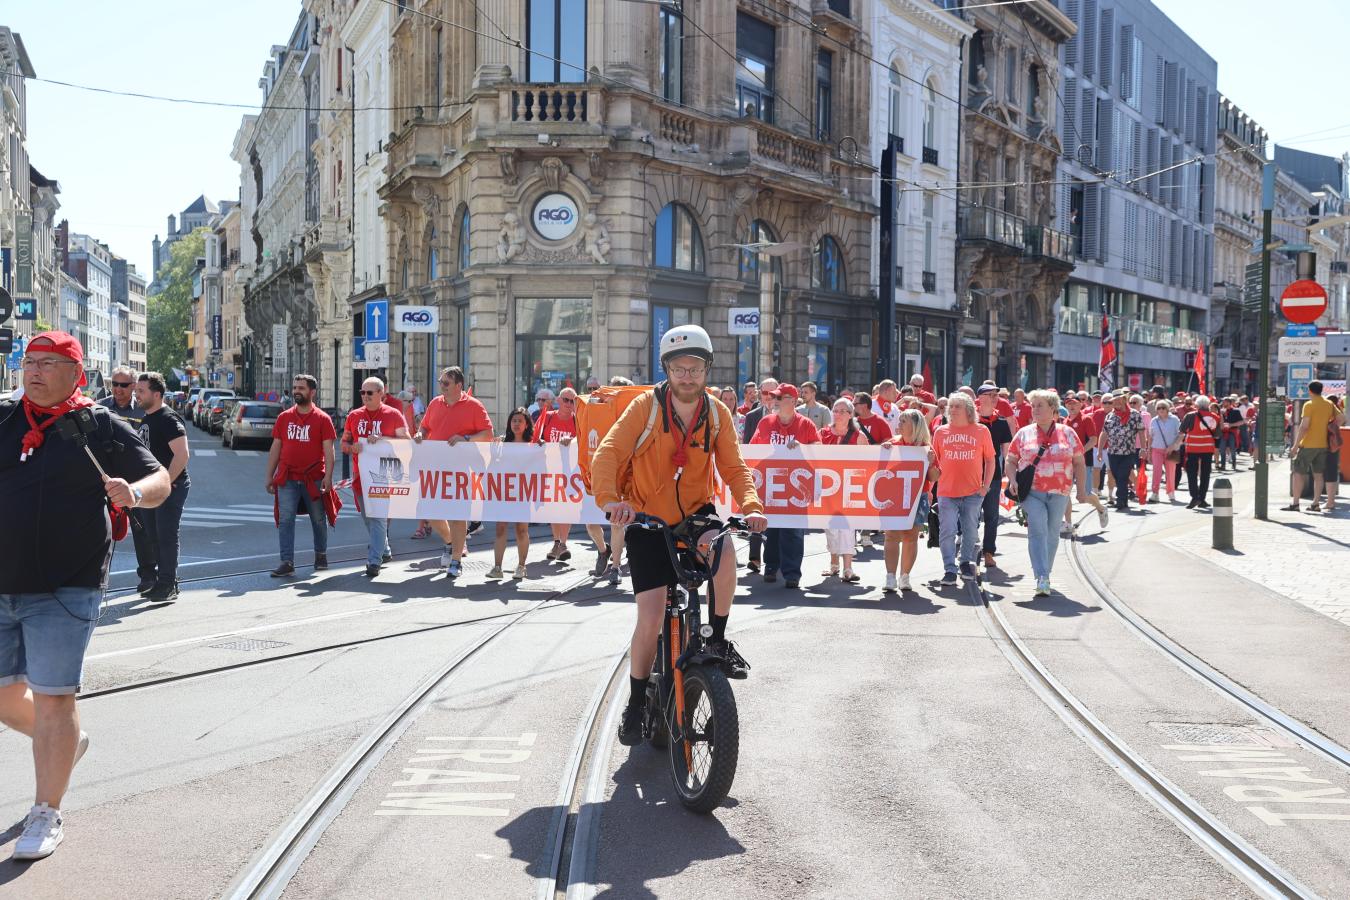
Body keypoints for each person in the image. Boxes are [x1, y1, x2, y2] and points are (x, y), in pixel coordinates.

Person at [0, 331, 170, 860]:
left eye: (50, 363)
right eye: (30, 361)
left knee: (54, 698)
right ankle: (68, 744)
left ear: (77, 374)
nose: (35, 371)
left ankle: (46, 811)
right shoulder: (4, 418)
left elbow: (159, 477)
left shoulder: (98, 425)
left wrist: (135, 493)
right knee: (6, 698)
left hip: (65, 585)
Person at [591, 324, 767, 746]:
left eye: (695, 368)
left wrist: (751, 506)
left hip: (694, 516)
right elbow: (608, 453)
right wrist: (611, 500)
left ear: (707, 369)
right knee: (651, 618)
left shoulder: (717, 413)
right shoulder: (645, 408)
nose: (687, 376)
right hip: (647, 519)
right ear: (666, 369)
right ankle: (635, 703)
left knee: (724, 554)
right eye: (679, 368)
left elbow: (734, 468)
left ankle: (718, 640)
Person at [1006, 390, 1089, 597]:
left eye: (1040, 405)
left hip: (1060, 492)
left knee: (1052, 533)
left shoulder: (1068, 433)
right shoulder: (1023, 432)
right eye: (1033, 406)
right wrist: (1013, 479)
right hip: (1032, 492)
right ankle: (1041, 576)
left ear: (1053, 409)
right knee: (1038, 528)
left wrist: (1080, 490)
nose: (1035, 409)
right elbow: (1011, 460)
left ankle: (1046, 572)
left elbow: (1079, 462)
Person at [414, 366, 494, 577]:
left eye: (446, 383)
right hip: (435, 467)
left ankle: (456, 561)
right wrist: (419, 434)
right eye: (440, 382)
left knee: (458, 515)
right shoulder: (435, 403)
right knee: (430, 513)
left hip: (461, 469)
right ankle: (450, 542)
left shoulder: (474, 405)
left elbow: (488, 433)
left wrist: (465, 438)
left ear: (459, 385)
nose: (442, 386)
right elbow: (425, 427)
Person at [266, 375, 337, 577]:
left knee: (318, 519)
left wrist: (328, 477)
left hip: (313, 478)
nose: (297, 391)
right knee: (285, 520)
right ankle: (287, 561)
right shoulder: (284, 418)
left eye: (301, 388)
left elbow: (329, 450)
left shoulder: (323, 419)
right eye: (295, 387)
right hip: (287, 478)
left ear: (312, 392)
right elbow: (275, 448)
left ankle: (321, 555)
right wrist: (269, 476)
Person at [751, 383, 820, 589]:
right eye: (774, 398)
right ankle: (771, 567)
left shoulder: (805, 424)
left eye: (779, 398)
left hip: (796, 487)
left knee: (793, 530)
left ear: (792, 400)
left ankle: (791, 574)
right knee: (771, 528)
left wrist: (803, 447)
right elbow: (753, 448)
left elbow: (819, 449)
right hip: (772, 484)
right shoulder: (766, 422)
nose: (774, 402)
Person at [341, 377, 410, 577]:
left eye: (369, 393)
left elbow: (406, 442)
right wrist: (351, 447)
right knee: (368, 519)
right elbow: (344, 443)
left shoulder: (394, 415)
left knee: (378, 519)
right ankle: (385, 550)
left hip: (383, 477)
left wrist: (383, 440)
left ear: (382, 394)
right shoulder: (354, 416)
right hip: (360, 478)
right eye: (362, 392)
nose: (365, 396)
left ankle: (374, 561)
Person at [132, 372, 192, 601]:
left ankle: (167, 584)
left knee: (166, 535)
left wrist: (166, 483)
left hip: (171, 486)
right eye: (137, 390)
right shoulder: (147, 417)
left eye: (141, 391)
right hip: (151, 488)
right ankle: (164, 581)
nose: (136, 395)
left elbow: (182, 455)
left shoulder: (168, 419)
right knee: (153, 536)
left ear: (156, 394)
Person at [537, 386, 610, 571]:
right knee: (553, 507)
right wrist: (542, 443)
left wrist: (573, 441)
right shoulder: (548, 417)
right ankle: (557, 542)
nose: (570, 404)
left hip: (571, 472)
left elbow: (584, 440)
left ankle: (563, 543)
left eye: (573, 401)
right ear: (559, 401)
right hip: (550, 469)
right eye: (567, 400)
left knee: (567, 507)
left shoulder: (579, 420)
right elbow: (536, 437)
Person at [931, 392, 995, 584]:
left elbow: (990, 460)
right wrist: (929, 489)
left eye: (957, 406)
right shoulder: (941, 432)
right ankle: (949, 569)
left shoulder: (982, 431)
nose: (952, 409)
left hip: (973, 492)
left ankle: (965, 561)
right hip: (946, 491)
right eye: (951, 406)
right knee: (947, 531)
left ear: (968, 410)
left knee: (970, 531)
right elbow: (935, 463)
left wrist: (986, 487)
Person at [882, 409, 938, 592]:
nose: (899, 424)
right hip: (893, 496)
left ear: (914, 425)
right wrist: (885, 452)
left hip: (917, 497)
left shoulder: (926, 448)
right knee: (891, 535)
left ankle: (904, 576)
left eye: (903, 421)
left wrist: (930, 463)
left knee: (910, 536)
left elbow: (934, 477)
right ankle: (890, 577)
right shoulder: (892, 443)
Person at [820, 397, 864, 582]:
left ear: (850, 414)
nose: (837, 414)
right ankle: (833, 564)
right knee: (830, 526)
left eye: (841, 411)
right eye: (835, 410)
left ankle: (848, 567)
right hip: (828, 487)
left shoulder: (858, 436)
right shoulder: (822, 433)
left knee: (848, 526)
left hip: (849, 488)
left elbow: (866, 463)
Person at [1285, 380, 1345, 512]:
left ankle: (1295, 503)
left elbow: (1304, 426)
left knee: (1298, 473)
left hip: (1308, 445)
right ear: (1321, 390)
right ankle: (1315, 503)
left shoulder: (1309, 404)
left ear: (1310, 390)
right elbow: (1341, 417)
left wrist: (1295, 446)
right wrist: (1331, 426)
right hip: (1323, 445)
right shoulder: (1328, 404)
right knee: (1318, 475)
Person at [490, 408, 533, 580]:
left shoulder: (533, 445)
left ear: (526, 424)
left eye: (520, 421)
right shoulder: (502, 443)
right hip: (505, 492)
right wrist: (494, 455)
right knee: (500, 528)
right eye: (513, 420)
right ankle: (497, 567)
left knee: (521, 530)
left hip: (523, 492)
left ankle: (521, 566)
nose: (516, 424)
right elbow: (494, 467)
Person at [975, 384, 1013, 569]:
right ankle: (969, 550)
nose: (995, 397)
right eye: (990, 394)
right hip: (970, 475)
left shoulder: (1001, 422)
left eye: (996, 394)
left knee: (992, 515)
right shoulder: (971, 419)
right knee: (970, 516)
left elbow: (1006, 451)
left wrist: (1010, 472)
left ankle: (988, 551)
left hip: (993, 476)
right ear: (980, 398)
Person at [1101, 391, 1143, 512]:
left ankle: (1120, 500)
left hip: (1128, 452)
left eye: (1119, 400)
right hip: (1112, 452)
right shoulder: (1110, 416)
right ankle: (1124, 500)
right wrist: (1099, 450)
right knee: (1117, 476)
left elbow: (1141, 432)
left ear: (1124, 400)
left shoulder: (1135, 415)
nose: (1116, 403)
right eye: (1114, 401)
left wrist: (1144, 449)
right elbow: (1104, 433)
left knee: (1122, 475)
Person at [1177, 396, 1220, 509]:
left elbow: (1181, 430)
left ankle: (1194, 497)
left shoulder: (1190, 416)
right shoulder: (1215, 417)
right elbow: (1217, 435)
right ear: (1208, 406)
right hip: (1207, 449)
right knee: (1205, 474)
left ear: (1196, 405)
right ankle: (1202, 499)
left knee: (1192, 473)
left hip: (1193, 448)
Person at [1146, 399, 1181, 503]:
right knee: (1156, 471)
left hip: (1171, 450)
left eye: (1163, 407)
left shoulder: (1174, 419)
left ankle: (1171, 492)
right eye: (1158, 408)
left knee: (1170, 472)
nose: (1161, 410)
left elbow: (1181, 435)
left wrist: (1173, 446)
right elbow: (1150, 436)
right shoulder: (1154, 420)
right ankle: (1155, 493)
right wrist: (1149, 451)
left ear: (1167, 409)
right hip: (1157, 449)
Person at [1217, 397, 1243, 472]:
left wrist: (1231, 425)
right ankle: (1223, 465)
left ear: (1229, 403)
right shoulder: (1220, 411)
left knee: (1232, 448)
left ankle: (1234, 463)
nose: (1223, 403)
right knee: (1222, 449)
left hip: (1232, 432)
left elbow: (1241, 422)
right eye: (1223, 402)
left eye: (1225, 402)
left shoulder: (1236, 411)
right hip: (1223, 433)